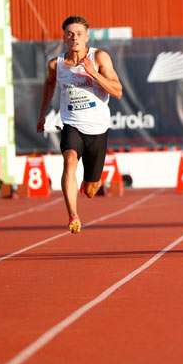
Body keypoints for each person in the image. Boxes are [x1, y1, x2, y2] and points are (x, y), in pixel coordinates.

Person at [36, 16, 123, 234]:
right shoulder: (56, 64)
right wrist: (42, 113)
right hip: (71, 123)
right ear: (64, 37)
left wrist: (93, 73)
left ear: (87, 36)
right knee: (69, 161)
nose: (74, 38)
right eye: (70, 34)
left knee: (91, 189)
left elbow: (118, 91)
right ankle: (73, 216)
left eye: (79, 34)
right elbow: (48, 85)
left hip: (97, 128)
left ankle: (89, 183)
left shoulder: (99, 57)